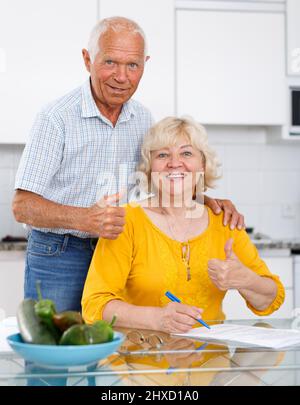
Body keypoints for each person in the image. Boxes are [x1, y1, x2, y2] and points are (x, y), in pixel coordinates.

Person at [12, 17, 244, 312]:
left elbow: (159, 183)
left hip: (122, 252)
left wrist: (207, 201)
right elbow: (22, 205)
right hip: (60, 254)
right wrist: (86, 219)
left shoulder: (143, 119)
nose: (121, 77)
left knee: (115, 353)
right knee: (56, 352)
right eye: (110, 62)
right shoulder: (56, 118)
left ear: (144, 64)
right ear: (87, 59)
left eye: (132, 65)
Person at [82, 116, 285, 332]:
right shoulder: (125, 222)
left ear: (203, 165)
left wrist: (247, 280)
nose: (174, 162)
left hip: (210, 360)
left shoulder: (224, 222)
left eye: (186, 153)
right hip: (142, 358)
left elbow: (270, 299)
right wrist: (156, 319)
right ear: (150, 168)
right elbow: (94, 305)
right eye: (162, 154)